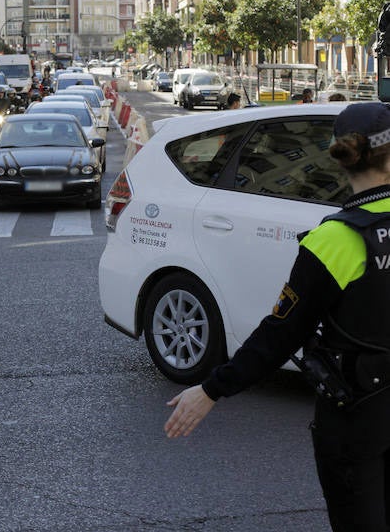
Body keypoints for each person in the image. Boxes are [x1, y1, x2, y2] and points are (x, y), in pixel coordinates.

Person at [164, 102, 390, 532]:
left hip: (356, 420)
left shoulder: (334, 241)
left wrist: (211, 389)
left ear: (339, 156)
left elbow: (280, 335)